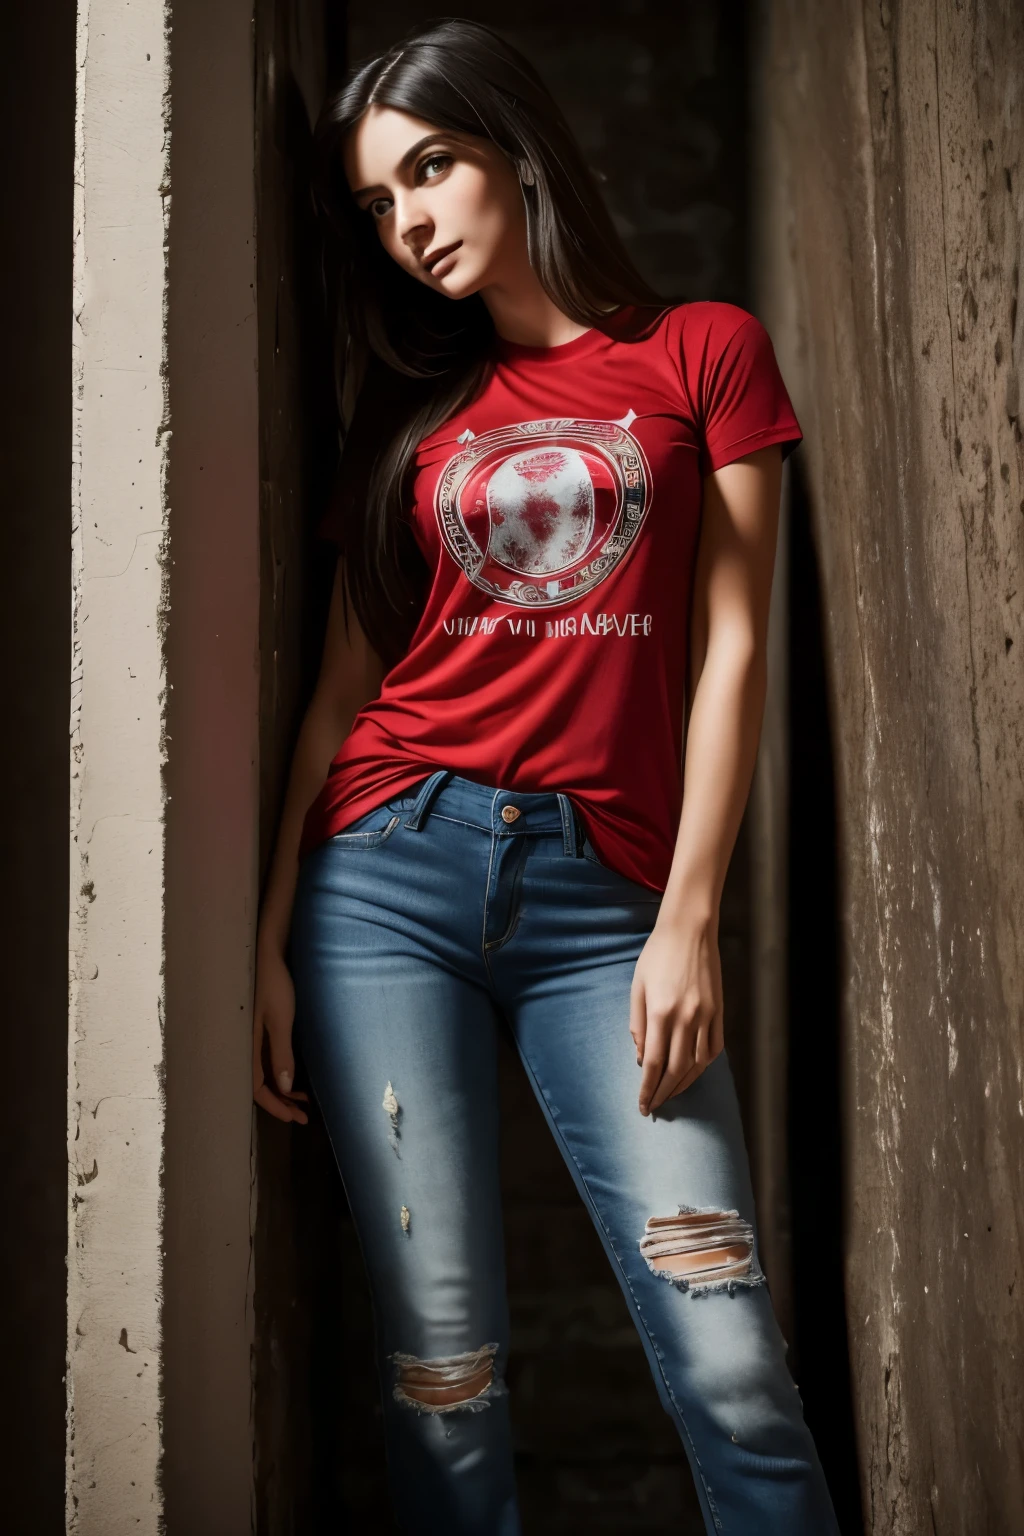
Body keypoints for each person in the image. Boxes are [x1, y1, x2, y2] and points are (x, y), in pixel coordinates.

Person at [252, 17, 841, 1535]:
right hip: (384, 881)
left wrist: (689, 917)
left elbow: (731, 656)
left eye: (432, 170)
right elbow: (340, 697)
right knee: (442, 1366)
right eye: (382, 206)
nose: (414, 225)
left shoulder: (701, 351)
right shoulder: (411, 414)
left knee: (724, 1342)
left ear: (515, 147)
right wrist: (270, 937)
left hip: (609, 901)